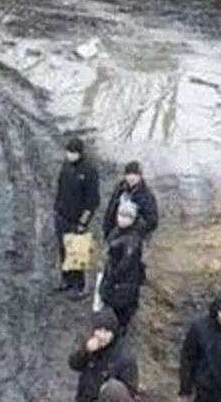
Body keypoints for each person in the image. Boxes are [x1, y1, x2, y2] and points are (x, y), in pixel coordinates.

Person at [54, 137, 100, 295]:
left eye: (73, 153)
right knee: (63, 249)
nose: (70, 155)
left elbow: (93, 201)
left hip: (77, 219)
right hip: (62, 215)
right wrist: (57, 209)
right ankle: (66, 279)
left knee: (77, 251)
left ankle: (79, 286)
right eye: (68, 152)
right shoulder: (66, 166)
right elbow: (60, 188)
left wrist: (83, 222)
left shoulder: (89, 172)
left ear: (80, 153)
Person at [68, 310, 138, 402]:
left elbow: (129, 392)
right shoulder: (89, 343)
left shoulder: (125, 357)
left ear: (114, 333)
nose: (101, 336)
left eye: (106, 331)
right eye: (99, 330)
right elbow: (73, 364)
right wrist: (85, 350)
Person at [98, 201, 145, 331]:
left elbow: (126, 263)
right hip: (113, 273)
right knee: (114, 303)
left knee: (123, 305)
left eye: (127, 217)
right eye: (120, 215)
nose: (122, 219)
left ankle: (123, 326)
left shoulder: (133, 239)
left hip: (124, 280)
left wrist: (113, 277)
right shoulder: (117, 231)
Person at [102, 161, 159, 242]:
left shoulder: (147, 195)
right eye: (129, 174)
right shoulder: (119, 191)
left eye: (135, 175)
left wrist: (134, 225)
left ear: (140, 176)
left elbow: (152, 220)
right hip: (116, 231)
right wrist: (107, 229)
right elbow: (111, 210)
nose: (131, 178)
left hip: (136, 236)